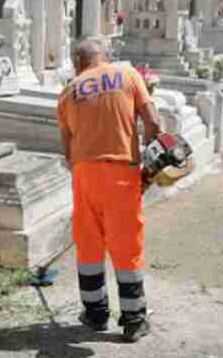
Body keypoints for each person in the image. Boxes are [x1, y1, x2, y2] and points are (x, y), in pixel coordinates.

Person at [56, 38, 164, 342]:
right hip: (121, 171)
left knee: (89, 241)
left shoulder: (67, 92)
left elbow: (68, 150)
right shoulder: (128, 75)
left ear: (78, 62)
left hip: (84, 174)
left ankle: (95, 314)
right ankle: (133, 319)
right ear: (105, 56)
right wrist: (149, 165)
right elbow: (153, 122)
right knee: (126, 243)